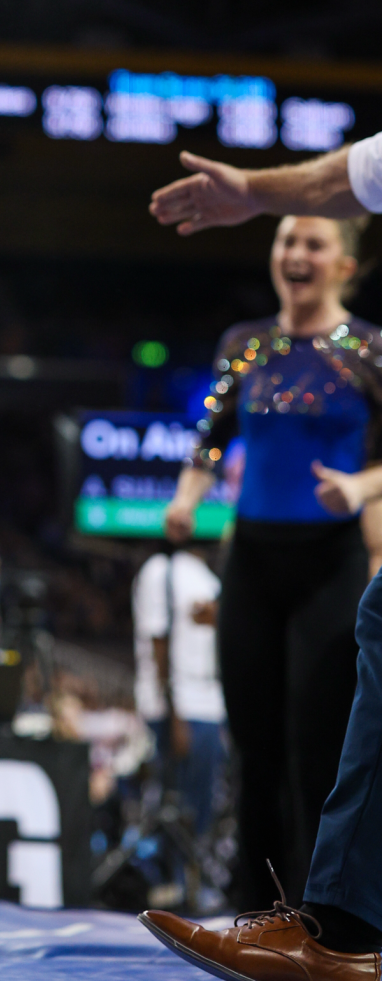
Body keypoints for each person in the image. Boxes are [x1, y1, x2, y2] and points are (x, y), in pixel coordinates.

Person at [142, 138, 382, 978]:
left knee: (319, 748)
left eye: (314, 241)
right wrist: (184, 496)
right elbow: (208, 438)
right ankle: (254, 913)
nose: (297, 253)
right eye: (287, 242)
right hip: (253, 557)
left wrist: (360, 491)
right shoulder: (243, 344)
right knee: (253, 743)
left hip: (331, 564)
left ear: (346, 261)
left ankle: (324, 926)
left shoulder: (372, 350)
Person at [132, 544, 226, 838]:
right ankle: (166, 879)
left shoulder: (210, 576)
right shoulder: (160, 569)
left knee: (200, 808)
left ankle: (190, 878)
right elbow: (159, 641)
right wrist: (175, 712)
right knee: (168, 805)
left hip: (209, 704)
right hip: (177, 709)